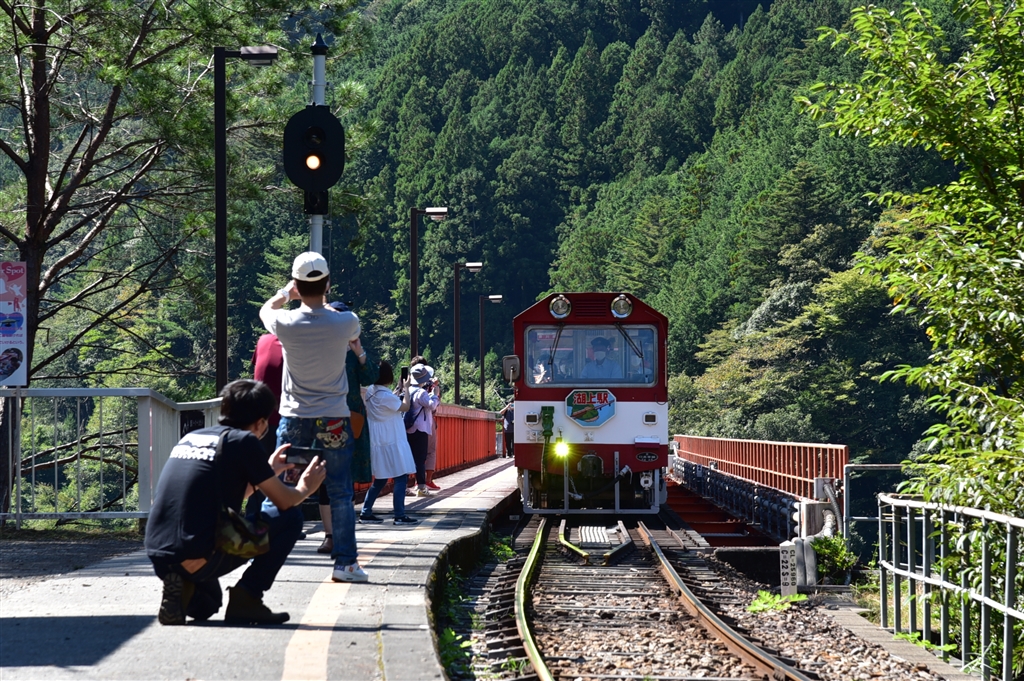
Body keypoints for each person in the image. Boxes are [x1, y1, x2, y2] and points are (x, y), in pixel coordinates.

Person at [145, 380, 326, 625]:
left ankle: (181, 580)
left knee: (208, 605)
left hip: (160, 554)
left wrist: (267, 470)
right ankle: (248, 597)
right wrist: (306, 487)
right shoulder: (243, 441)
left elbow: (223, 494)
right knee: (290, 518)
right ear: (261, 423)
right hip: (199, 551)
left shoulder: (193, 437)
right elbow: (285, 502)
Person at [259, 252, 367, 583]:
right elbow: (353, 331)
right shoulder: (345, 322)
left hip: (294, 417)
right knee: (340, 491)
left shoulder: (286, 323)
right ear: (327, 284)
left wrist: (285, 294)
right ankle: (345, 564)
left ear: (297, 285)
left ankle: (260, 552)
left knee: (279, 485)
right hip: (333, 418)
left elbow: (266, 310)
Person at [315, 301, 379, 555]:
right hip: (324, 418)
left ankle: (342, 534)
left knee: (347, 479)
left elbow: (371, 378)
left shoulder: (353, 353)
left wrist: (359, 351)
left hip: (351, 420)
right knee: (325, 479)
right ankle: (330, 536)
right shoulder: (319, 350)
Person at [358, 361, 418, 525]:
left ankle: (366, 512)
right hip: (393, 439)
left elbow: (389, 401)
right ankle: (399, 515)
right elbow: (405, 407)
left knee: (380, 479)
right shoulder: (386, 397)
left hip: (378, 441)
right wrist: (406, 389)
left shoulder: (371, 392)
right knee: (401, 476)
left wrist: (399, 389)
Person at [405, 363, 440, 497]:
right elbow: (431, 405)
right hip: (420, 429)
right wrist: (435, 395)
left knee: (407, 458)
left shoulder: (408, 390)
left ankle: (404, 487)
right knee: (420, 459)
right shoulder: (421, 392)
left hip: (408, 428)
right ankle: (421, 487)